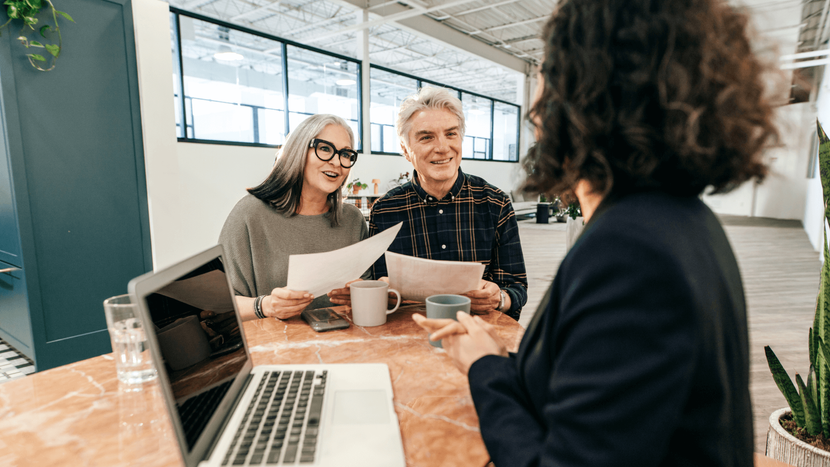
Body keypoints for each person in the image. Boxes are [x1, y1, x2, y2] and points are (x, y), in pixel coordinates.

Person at [413, 1, 778, 466]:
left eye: (548, 69)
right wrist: (493, 363)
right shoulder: (679, 220)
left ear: (584, 91)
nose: (536, 109)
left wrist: (486, 370)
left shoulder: (630, 253)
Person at [331, 87, 528, 320]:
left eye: (451, 134)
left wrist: (500, 298)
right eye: (426, 137)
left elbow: (516, 287)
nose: (443, 147)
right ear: (406, 150)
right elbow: (380, 287)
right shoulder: (386, 210)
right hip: (410, 338)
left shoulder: (495, 203)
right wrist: (381, 292)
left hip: (479, 338)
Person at [219, 114, 369, 322]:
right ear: (298, 151)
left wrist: (359, 296)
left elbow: (366, 288)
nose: (337, 162)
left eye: (345, 154)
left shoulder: (352, 220)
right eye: (325, 148)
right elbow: (219, 307)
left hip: (345, 344)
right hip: (275, 348)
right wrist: (267, 306)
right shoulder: (249, 214)